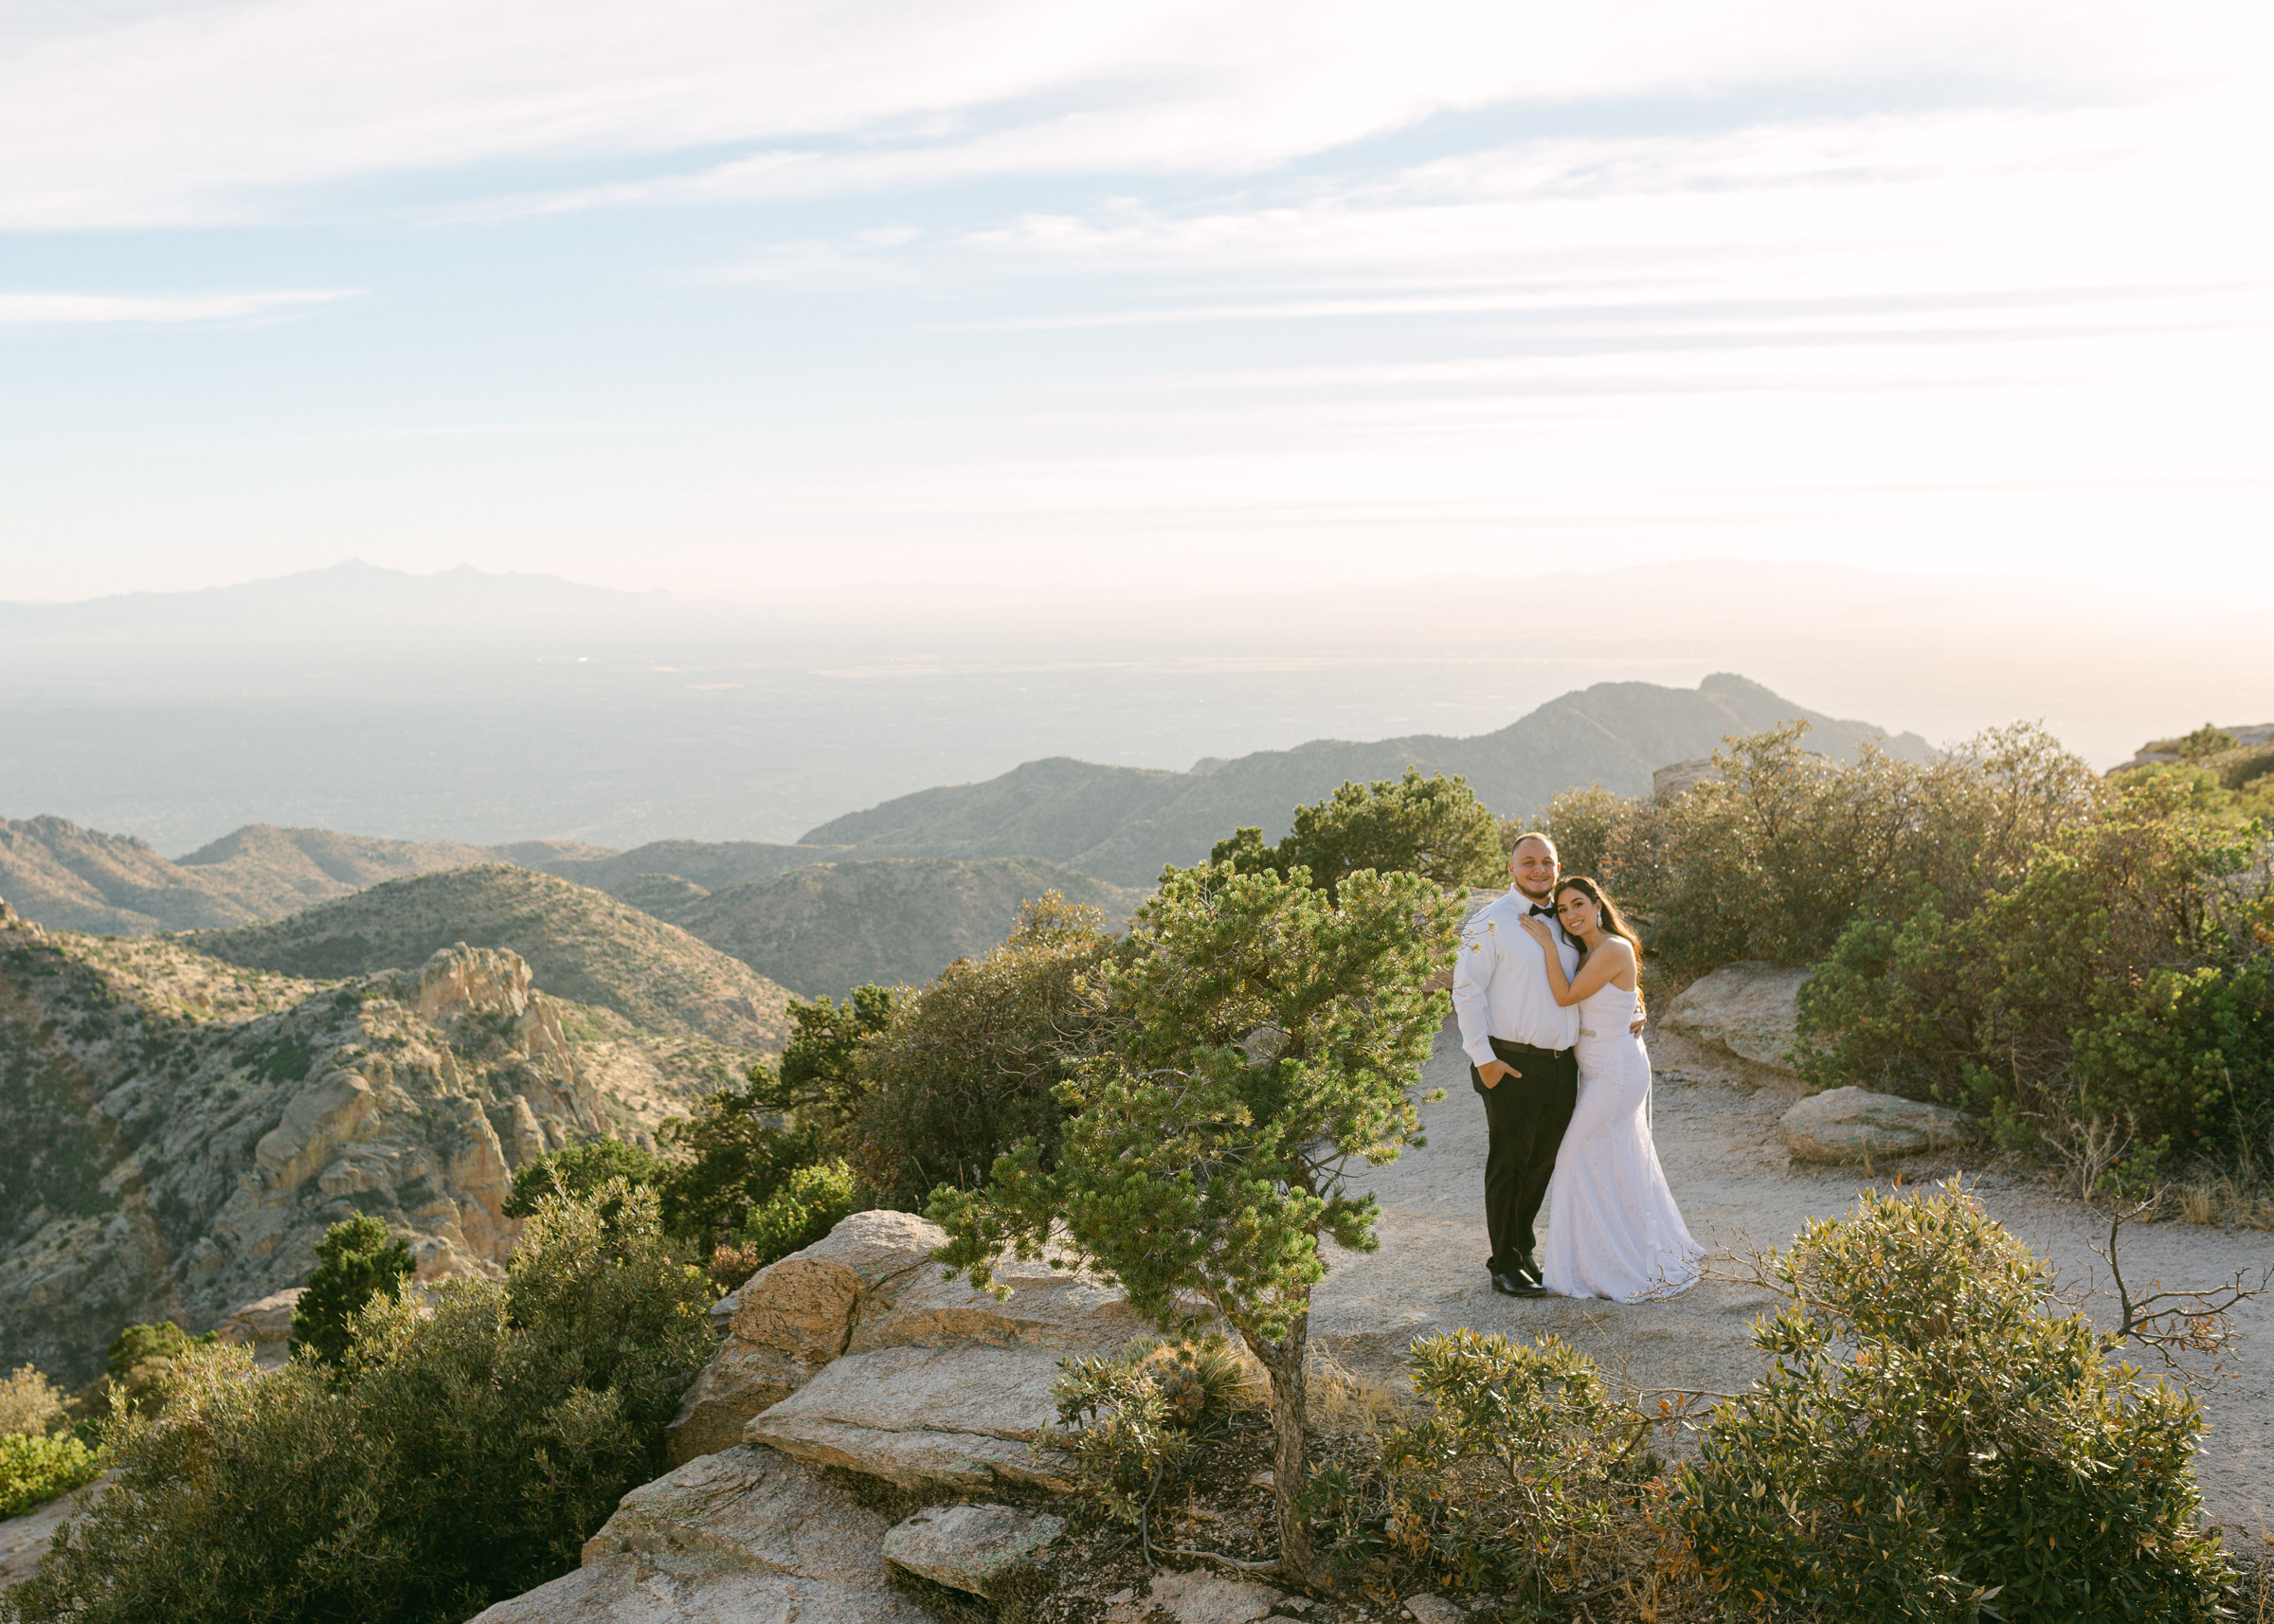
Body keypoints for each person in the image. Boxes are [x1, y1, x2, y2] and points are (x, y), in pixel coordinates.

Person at [1451, 833, 1641, 1298]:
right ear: (1511, 870)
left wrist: (1633, 1004)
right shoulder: (1487, 923)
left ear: (1557, 868)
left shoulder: (1564, 921)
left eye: (1547, 863)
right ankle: (1503, 1263)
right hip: (1510, 1061)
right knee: (1509, 1164)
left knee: (1542, 1164)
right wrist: (1485, 1060)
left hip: (1564, 1065)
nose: (1539, 870)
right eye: (1528, 862)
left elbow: (1601, 970)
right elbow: (1466, 992)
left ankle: (1523, 1248)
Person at [1517, 875, 1702, 1302]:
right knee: (1615, 1161)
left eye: (1578, 904)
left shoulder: (1613, 948)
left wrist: (1546, 943)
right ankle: (1609, 1256)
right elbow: (1623, 994)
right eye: (1563, 910)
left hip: (1617, 1072)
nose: (1571, 915)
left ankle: (1605, 1264)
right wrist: (1638, 1003)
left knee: (1574, 1154)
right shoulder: (1591, 951)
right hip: (1597, 1069)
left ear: (1598, 905)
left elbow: (1565, 997)